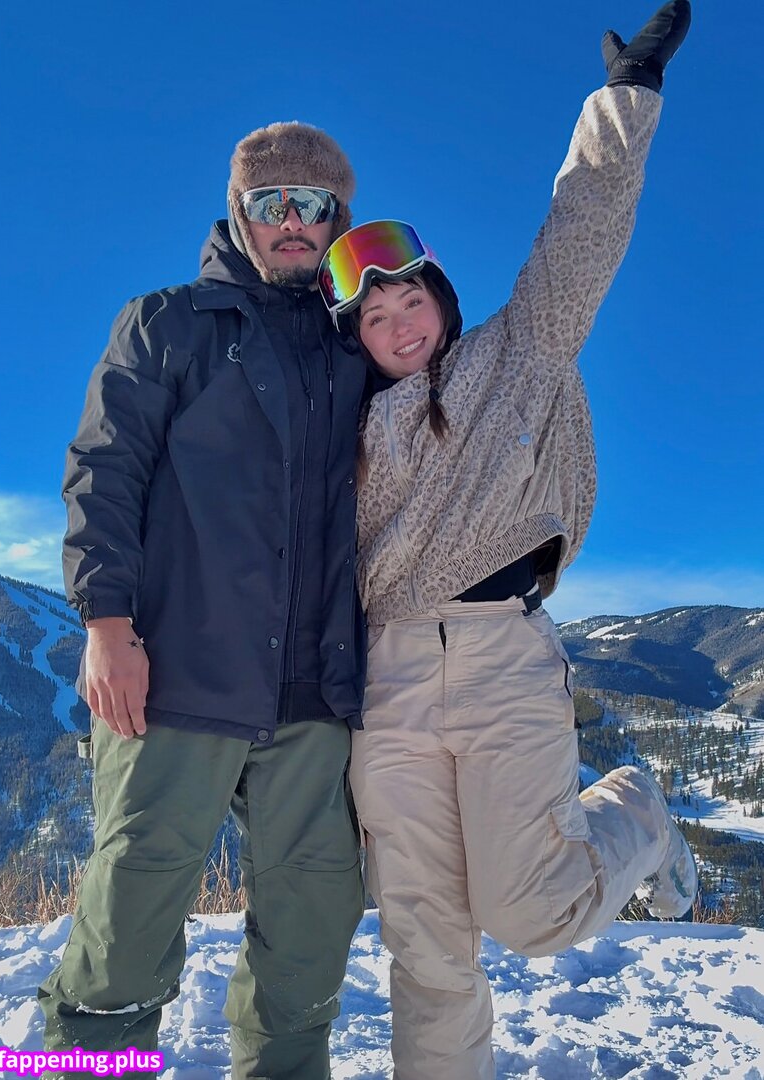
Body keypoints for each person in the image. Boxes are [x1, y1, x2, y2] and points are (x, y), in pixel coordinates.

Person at [317, 4, 695, 1078]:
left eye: (408, 298)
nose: (397, 323)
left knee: (535, 915)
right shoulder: (335, 435)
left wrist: (623, 102)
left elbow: (580, 231)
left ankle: (637, 811)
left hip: (498, 662)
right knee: (426, 943)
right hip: (389, 684)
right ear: (355, 338)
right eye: (372, 316)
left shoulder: (514, 356)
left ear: (440, 298)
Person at [38, 122, 368, 1080]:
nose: (293, 222)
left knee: (311, 924)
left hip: (312, 693)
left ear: (337, 219)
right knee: (130, 914)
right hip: (178, 673)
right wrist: (106, 625)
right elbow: (104, 471)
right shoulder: (168, 323)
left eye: (314, 205)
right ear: (240, 211)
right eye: (273, 203)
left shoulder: (356, 348)